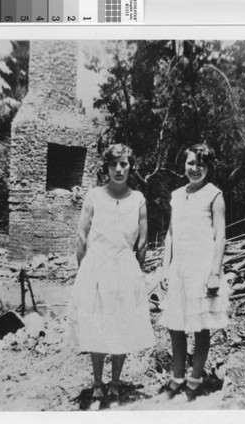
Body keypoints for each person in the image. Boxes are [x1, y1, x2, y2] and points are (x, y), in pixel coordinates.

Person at [67, 144, 155, 401]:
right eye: (113, 164)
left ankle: (115, 382)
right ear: (106, 167)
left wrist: (134, 273)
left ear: (131, 166)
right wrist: (86, 271)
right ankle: (97, 382)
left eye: (124, 164)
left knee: (121, 326)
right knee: (98, 325)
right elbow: (81, 237)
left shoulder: (138, 199)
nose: (119, 169)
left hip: (125, 268)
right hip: (96, 267)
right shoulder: (94, 195)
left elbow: (142, 243)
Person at [159, 143, 229, 401]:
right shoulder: (177, 195)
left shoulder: (214, 194)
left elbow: (220, 235)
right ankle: (178, 375)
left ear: (208, 167)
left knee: (201, 325)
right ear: (184, 164)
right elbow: (170, 234)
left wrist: (214, 272)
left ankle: (196, 377)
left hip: (202, 267)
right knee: (175, 324)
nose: (195, 168)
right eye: (191, 163)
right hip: (179, 268)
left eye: (201, 164)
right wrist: (165, 267)